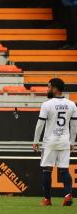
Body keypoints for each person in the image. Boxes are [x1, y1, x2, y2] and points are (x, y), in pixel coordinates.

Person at [32, 78, 76, 206]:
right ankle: (68, 196)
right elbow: (74, 125)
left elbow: (40, 124)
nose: (47, 89)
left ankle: (47, 199)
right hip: (64, 141)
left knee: (47, 170)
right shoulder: (72, 104)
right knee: (64, 171)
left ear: (55, 89)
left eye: (49, 87)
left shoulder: (47, 104)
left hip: (50, 142)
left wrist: (36, 140)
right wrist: (72, 142)